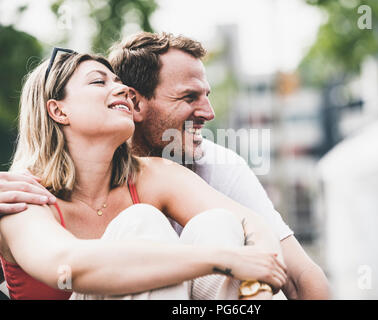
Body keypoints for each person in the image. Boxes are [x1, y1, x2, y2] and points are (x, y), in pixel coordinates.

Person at [0, 32, 330, 299]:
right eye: (100, 82)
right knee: (142, 222)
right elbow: (67, 266)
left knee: (216, 223)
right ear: (58, 111)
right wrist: (227, 259)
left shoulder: (154, 174)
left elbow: (253, 225)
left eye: (119, 83)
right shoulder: (21, 194)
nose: (121, 90)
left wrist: (256, 278)